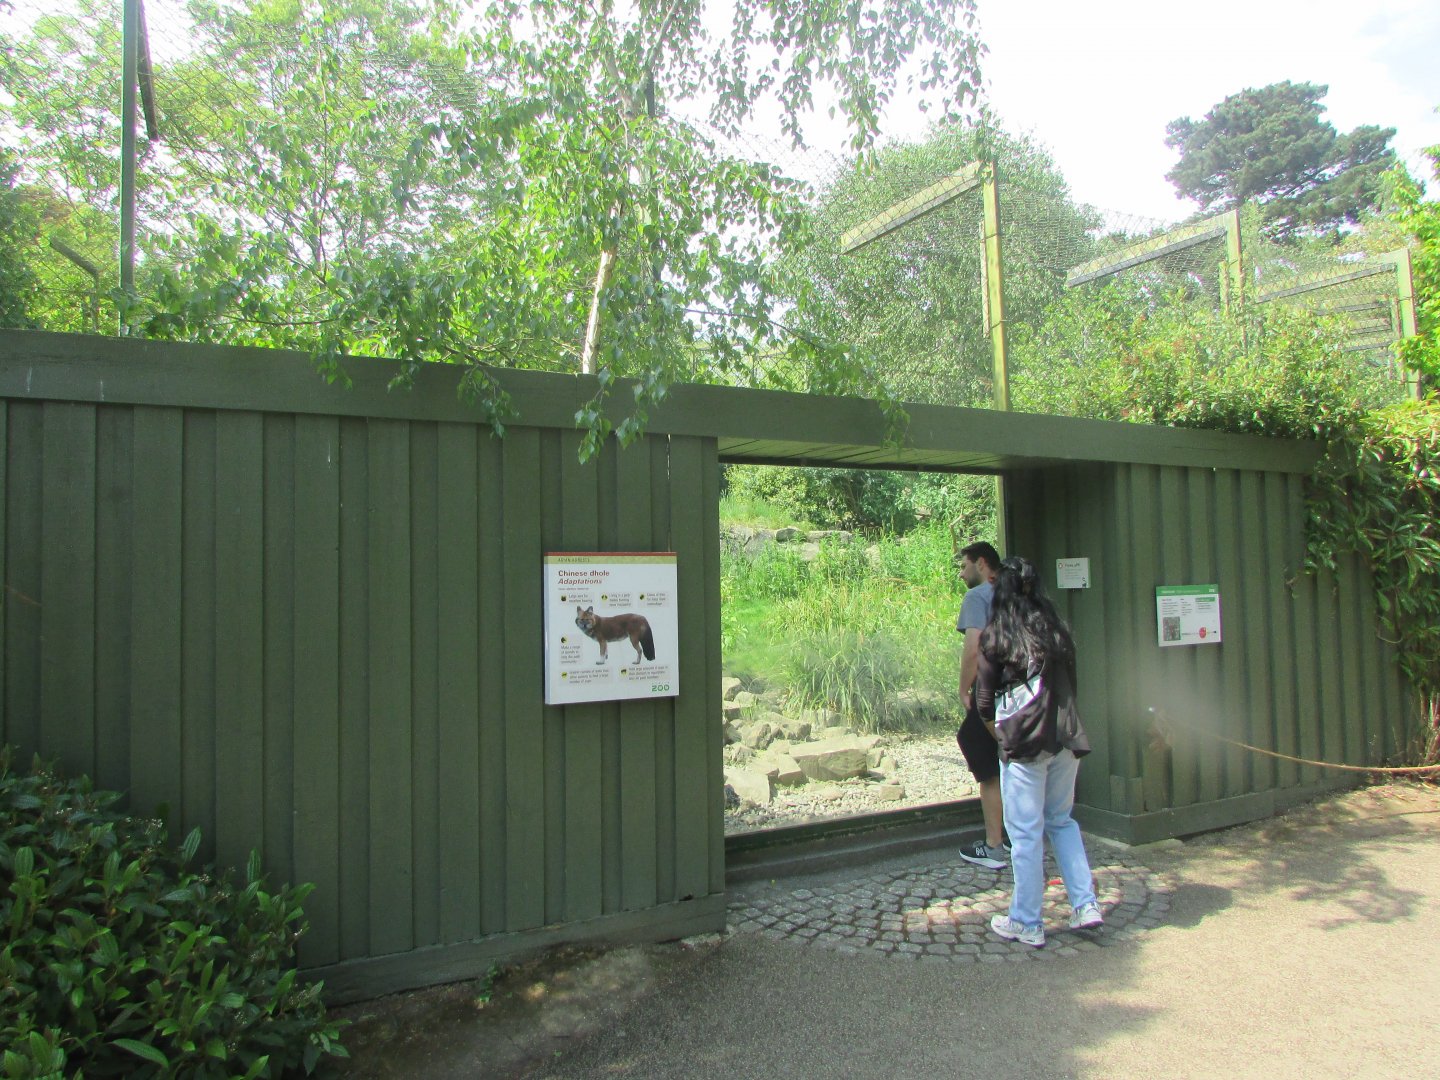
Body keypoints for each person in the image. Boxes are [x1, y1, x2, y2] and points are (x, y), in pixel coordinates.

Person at [975, 556, 1103, 948]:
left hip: (1024, 744)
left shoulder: (996, 636)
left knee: (1026, 834)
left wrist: (999, 734)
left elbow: (983, 700)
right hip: (1064, 737)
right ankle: (1086, 905)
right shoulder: (1056, 630)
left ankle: (1027, 921)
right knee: (1062, 821)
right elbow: (1074, 684)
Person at [953, 540, 1008, 869]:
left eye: (964, 565)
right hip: (1024, 692)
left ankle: (993, 846)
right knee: (1014, 764)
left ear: (982, 564)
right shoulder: (1017, 592)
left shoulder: (977, 597)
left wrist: (964, 690)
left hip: (992, 692)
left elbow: (973, 647)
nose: (961, 573)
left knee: (986, 763)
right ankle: (1017, 837)